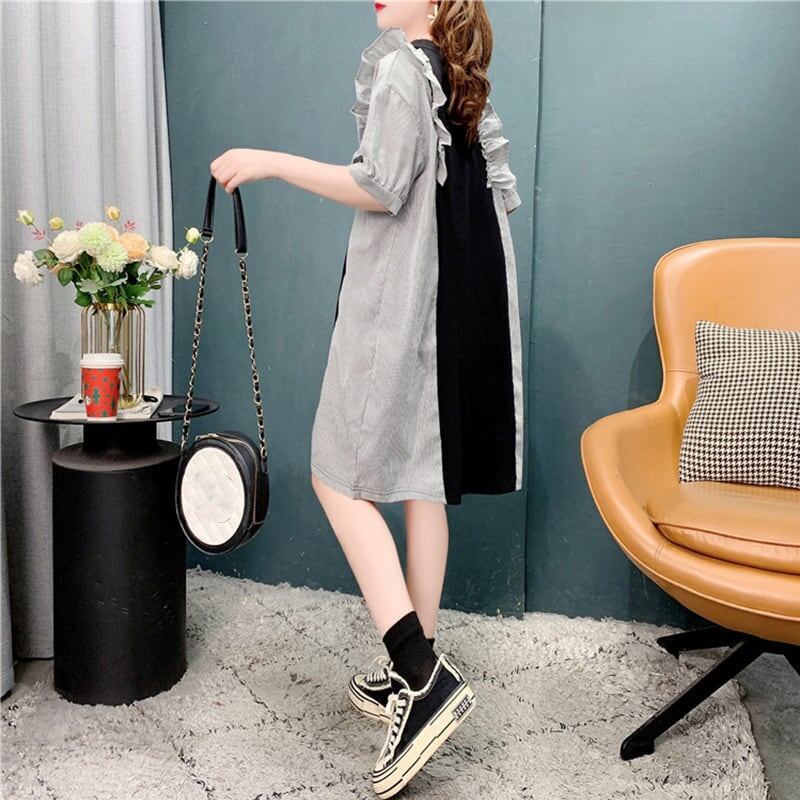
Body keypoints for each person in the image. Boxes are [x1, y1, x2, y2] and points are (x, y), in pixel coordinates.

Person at [210, 1, 523, 795]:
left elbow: (379, 186)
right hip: (448, 312)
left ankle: (420, 676)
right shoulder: (455, 78)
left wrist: (269, 161)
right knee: (422, 486)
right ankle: (416, 664)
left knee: (335, 475)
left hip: (396, 312)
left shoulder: (400, 69)